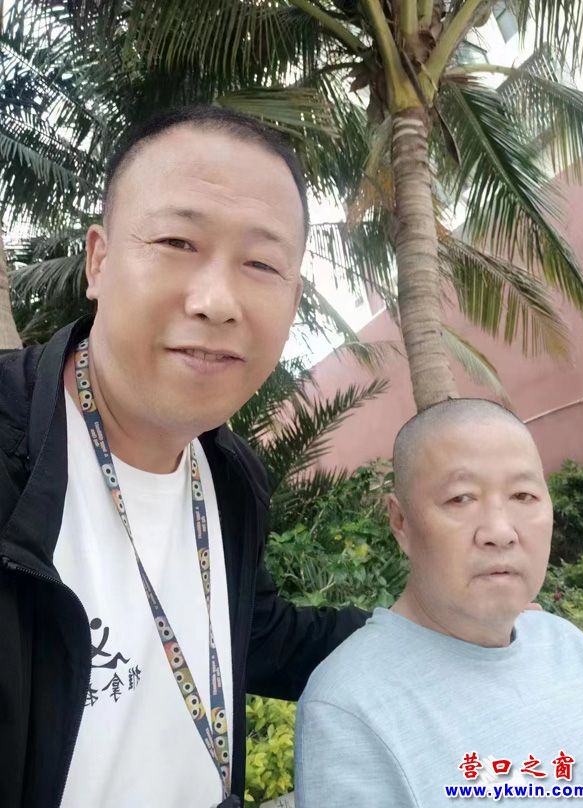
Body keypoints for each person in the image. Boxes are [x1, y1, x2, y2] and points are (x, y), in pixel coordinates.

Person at [0, 105, 368, 808]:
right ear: (99, 260)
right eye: (176, 241)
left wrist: (428, 626)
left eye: (261, 263)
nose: (217, 301)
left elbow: (256, 635)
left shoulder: (229, 477)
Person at [295, 399, 583, 807]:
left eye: (523, 495)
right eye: (460, 498)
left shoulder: (568, 645)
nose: (500, 531)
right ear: (400, 521)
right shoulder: (350, 705)